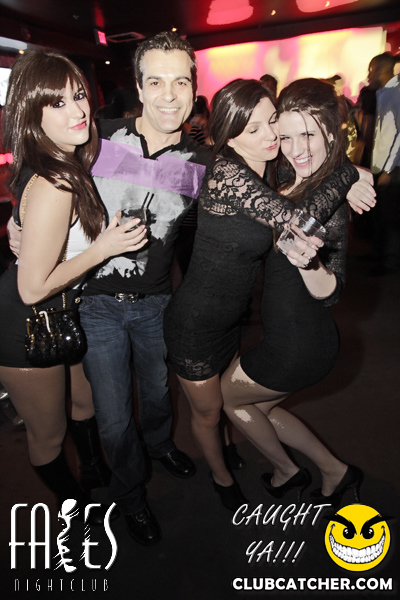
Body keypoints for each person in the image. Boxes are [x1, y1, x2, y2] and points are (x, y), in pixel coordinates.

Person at [163, 78, 375, 511]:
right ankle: (224, 479)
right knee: (213, 411)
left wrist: (344, 172)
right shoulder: (228, 173)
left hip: (245, 326)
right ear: (228, 136)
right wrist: (350, 172)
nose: (273, 137)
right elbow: (297, 217)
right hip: (195, 322)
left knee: (237, 404)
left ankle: (298, 471)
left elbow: (309, 189)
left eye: (272, 122)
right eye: (253, 128)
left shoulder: (276, 171)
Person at [75, 32, 212, 546]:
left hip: (156, 303)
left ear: (194, 89)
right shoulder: (100, 140)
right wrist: (24, 218)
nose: (169, 95)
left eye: (181, 82)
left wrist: (347, 173)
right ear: (138, 87)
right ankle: (130, 495)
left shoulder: (200, 163)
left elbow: (267, 181)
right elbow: (39, 168)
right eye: (156, 82)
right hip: (97, 304)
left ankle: (159, 445)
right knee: (113, 418)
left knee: (157, 392)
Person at [0, 51, 148, 523]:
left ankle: (93, 471)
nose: (79, 110)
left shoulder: (65, 162)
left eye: (79, 95)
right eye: (58, 103)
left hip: (68, 309)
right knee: (48, 434)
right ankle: (77, 509)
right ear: (32, 114)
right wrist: (104, 248)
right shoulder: (54, 182)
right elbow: (31, 289)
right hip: (26, 324)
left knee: (84, 402)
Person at [221, 78, 364, 507]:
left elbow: (332, 293)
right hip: (293, 337)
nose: (297, 149)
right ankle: (336, 472)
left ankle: (287, 472)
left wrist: (310, 264)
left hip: (299, 345)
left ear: (331, 134)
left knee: (230, 398)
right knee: (258, 408)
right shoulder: (292, 177)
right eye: (286, 137)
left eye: (308, 135)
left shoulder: (328, 202)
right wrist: (355, 172)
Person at [368, 52, 400, 275]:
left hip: (393, 168)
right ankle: (379, 254)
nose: (369, 75)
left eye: (371, 70)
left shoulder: (396, 93)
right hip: (381, 166)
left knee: (391, 216)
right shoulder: (383, 93)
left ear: (381, 70)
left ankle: (390, 262)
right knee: (380, 213)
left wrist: (388, 169)